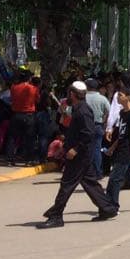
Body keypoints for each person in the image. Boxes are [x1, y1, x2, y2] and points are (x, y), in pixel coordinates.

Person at [38, 81, 118, 227]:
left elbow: (88, 133)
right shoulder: (77, 108)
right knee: (90, 182)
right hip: (81, 154)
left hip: (79, 155)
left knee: (66, 184)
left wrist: (75, 149)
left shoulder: (83, 111)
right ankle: (108, 208)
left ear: (72, 94)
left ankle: (56, 216)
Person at [4, 70, 38, 164]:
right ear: (29, 78)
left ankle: (10, 157)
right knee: (29, 138)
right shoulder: (33, 88)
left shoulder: (13, 87)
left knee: (12, 137)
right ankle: (28, 159)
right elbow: (37, 100)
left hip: (16, 114)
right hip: (28, 115)